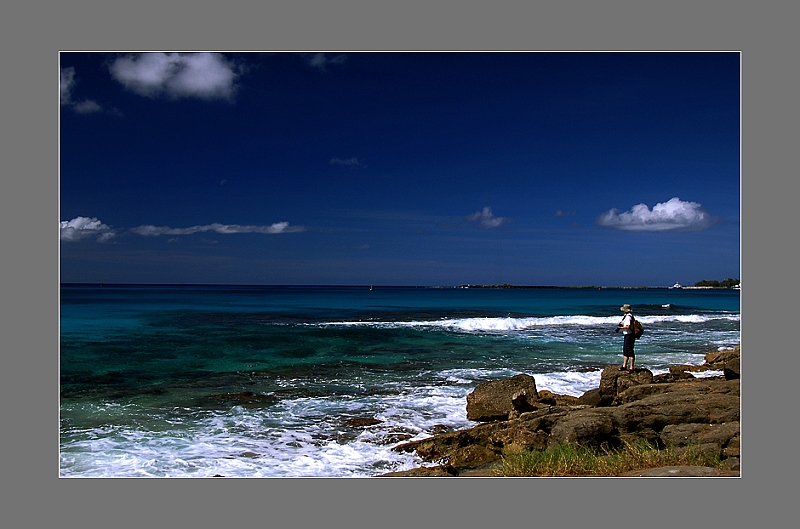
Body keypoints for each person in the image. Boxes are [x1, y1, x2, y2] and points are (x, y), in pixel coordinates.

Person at [616, 303, 636, 372]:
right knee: (626, 350)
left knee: (629, 350)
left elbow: (628, 326)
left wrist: (621, 327)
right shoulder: (627, 316)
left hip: (629, 335)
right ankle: (624, 365)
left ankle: (631, 367)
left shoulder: (628, 317)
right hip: (628, 335)